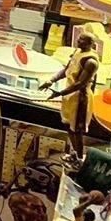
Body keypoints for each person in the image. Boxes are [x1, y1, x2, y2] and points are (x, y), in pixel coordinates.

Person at [40, 33, 99, 166]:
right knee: (68, 126)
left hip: (81, 99)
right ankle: (74, 153)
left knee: (77, 130)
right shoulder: (77, 52)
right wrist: (51, 80)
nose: (79, 41)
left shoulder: (90, 62)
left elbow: (80, 84)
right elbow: (66, 70)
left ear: (90, 43)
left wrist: (59, 93)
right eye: (79, 38)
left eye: (83, 40)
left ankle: (79, 158)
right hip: (70, 96)